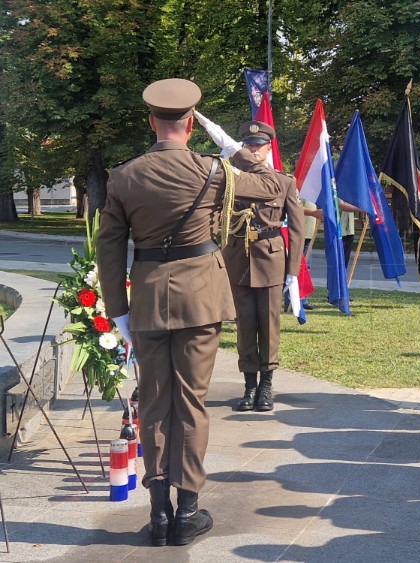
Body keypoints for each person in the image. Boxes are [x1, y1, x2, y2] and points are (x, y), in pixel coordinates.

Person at [97, 79, 284, 547]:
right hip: (201, 299)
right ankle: (189, 511)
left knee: (155, 402)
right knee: (192, 404)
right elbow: (274, 186)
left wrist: (118, 313)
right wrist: (240, 150)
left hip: (146, 300)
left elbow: (109, 248)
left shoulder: (123, 177)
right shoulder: (214, 171)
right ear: (190, 124)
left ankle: (158, 514)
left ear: (151, 122)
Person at [223, 120, 304, 413]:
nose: (254, 150)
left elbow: (296, 228)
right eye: (249, 146)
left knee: (269, 324)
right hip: (239, 258)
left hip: (270, 258)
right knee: (245, 324)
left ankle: (266, 384)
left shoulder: (283, 182)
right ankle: (249, 385)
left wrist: (292, 271)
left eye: (259, 146)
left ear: (269, 148)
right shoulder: (232, 179)